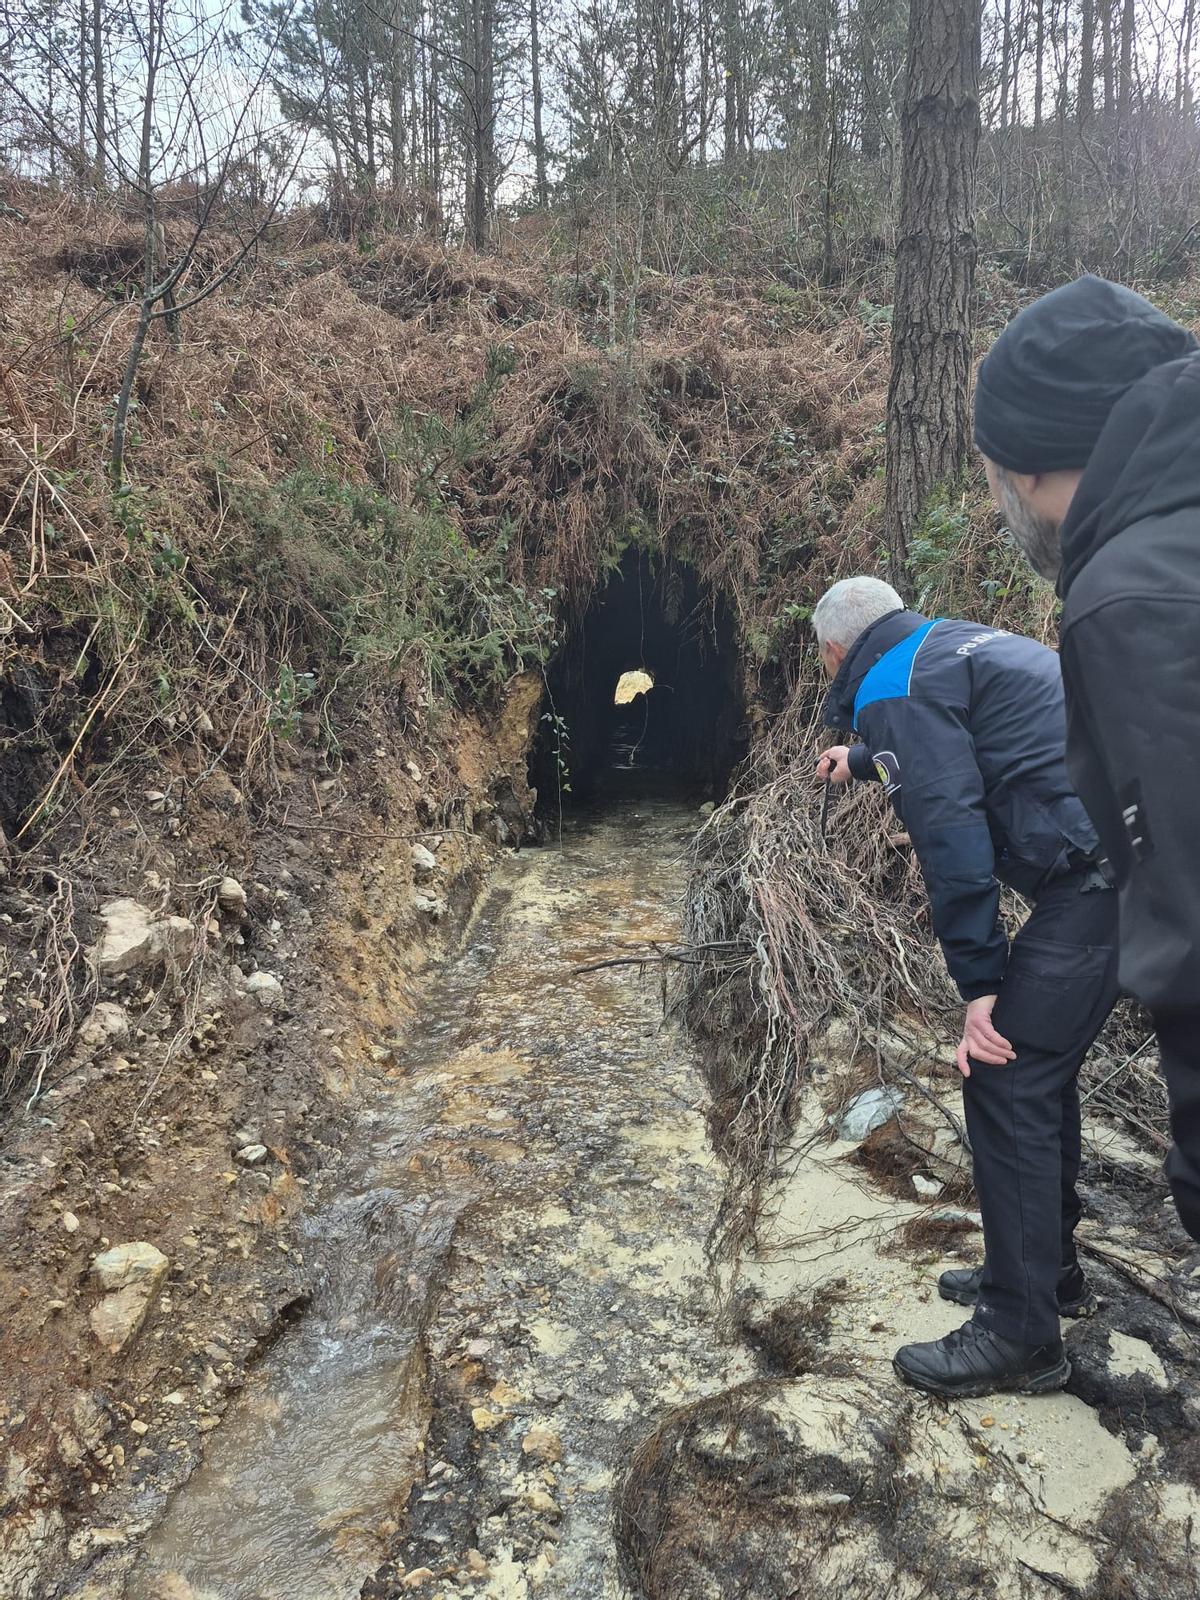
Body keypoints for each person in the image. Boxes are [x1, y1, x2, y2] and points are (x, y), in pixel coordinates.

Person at [814, 575, 1119, 1398]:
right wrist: (863, 759)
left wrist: (979, 985)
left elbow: (948, 828)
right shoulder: (950, 642)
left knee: (1004, 1068)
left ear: (837, 653)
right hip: (1132, 856)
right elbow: (964, 743)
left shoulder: (889, 683)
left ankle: (1021, 1338)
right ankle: (1046, 1274)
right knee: (1038, 1067)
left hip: (1099, 881)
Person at [973, 275, 1200, 1240]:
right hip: (1090, 879)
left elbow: (943, 806)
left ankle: (1020, 1319)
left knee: (1008, 1066)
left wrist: (975, 977)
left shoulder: (1133, 593)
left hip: (1081, 884)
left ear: (1024, 468)